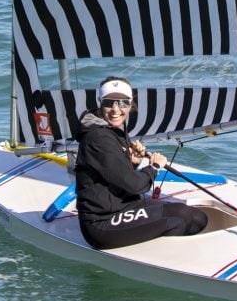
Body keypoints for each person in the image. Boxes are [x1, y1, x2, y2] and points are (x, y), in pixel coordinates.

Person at [75, 75, 208, 249]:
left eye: (123, 103)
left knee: (195, 215)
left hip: (124, 206)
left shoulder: (112, 129)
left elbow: (112, 174)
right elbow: (134, 185)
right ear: (100, 103)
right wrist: (153, 167)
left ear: (130, 105)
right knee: (184, 216)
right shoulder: (98, 137)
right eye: (109, 103)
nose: (116, 110)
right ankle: (161, 257)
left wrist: (133, 161)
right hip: (102, 224)